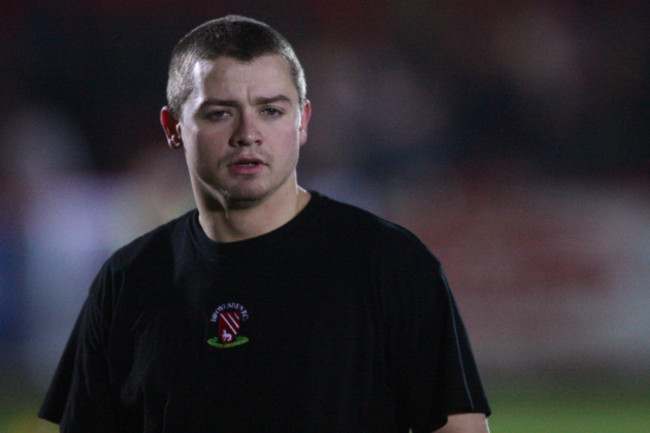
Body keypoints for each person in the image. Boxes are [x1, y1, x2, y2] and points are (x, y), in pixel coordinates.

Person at [39, 15, 491, 432]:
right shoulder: (127, 281)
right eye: (220, 113)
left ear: (303, 122)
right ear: (173, 127)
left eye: (271, 110)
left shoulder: (391, 264)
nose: (247, 133)